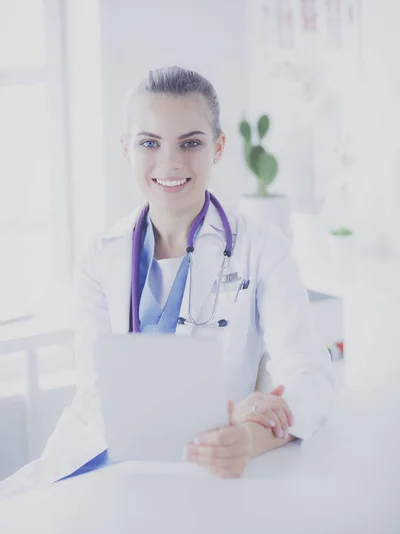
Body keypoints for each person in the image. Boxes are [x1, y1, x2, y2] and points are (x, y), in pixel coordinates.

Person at [1, 67, 333, 493]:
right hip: (94, 459)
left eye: (191, 142)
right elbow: (98, 394)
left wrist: (249, 436)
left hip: (207, 471)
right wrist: (229, 419)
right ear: (126, 150)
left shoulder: (263, 248)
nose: (170, 162)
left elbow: (310, 378)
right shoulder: (99, 256)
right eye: (149, 143)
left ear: (219, 147)